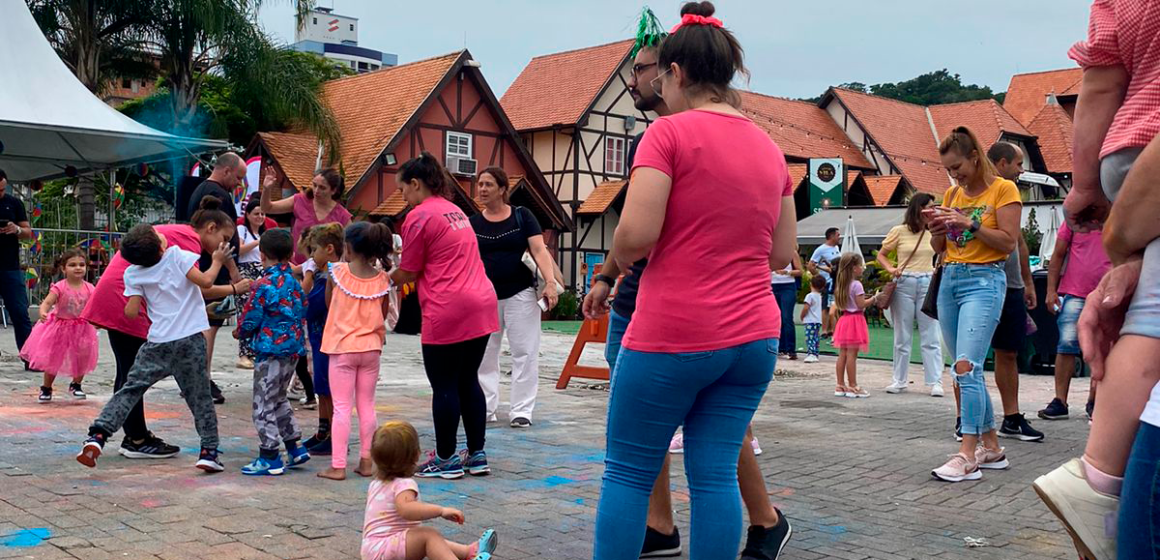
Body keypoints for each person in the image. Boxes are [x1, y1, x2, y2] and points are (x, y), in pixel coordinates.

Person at [582, 17, 792, 558]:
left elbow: (634, 236)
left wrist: (613, 267)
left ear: (674, 73)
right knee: (715, 475)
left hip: (675, 333)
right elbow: (780, 254)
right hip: (753, 337)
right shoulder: (770, 148)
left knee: (628, 471)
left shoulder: (667, 133)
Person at [1033, 3, 1160, 555]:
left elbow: (1102, 83)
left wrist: (1084, 185)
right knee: (1152, 319)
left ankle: (1100, 472)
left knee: (1146, 313)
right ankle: (1101, 475)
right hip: (1152, 150)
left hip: (1127, 152)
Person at [80, 197, 245, 460]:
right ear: (211, 228)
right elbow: (202, 286)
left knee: (130, 382)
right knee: (198, 397)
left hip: (137, 318)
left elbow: (172, 294)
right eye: (225, 238)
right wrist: (236, 286)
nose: (224, 245)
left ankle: (101, 434)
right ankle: (203, 450)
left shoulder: (137, 271)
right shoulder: (183, 248)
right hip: (181, 337)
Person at [390, 154, 498, 480]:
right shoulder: (456, 211)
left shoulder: (419, 217)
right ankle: (476, 454)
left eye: (404, 190)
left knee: (445, 384)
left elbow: (409, 271)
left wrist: (378, 278)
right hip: (481, 301)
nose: (403, 198)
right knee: (468, 379)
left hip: (447, 305)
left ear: (415, 183)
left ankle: (447, 457)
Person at [927, 126, 1022, 483]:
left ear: (974, 157)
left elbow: (1008, 243)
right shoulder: (952, 193)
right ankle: (992, 447)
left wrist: (970, 222)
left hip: (985, 279)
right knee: (963, 369)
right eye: (949, 169)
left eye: (958, 166)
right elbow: (942, 249)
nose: (954, 175)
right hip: (950, 278)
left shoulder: (1004, 189)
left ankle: (968, 454)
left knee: (966, 367)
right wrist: (938, 228)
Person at [470, 166, 559, 428]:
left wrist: (550, 283)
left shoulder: (523, 216)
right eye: (480, 184)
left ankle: (522, 410)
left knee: (524, 352)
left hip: (521, 294)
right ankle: (485, 407)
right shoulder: (473, 223)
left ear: (502, 190)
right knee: (485, 353)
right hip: (485, 297)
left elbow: (539, 250)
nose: (482, 189)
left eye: (488, 184)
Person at [972, 143, 1044, 443]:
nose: (1021, 169)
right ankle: (968, 419)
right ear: (1001, 163)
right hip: (978, 281)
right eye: (1018, 163)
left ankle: (1011, 418)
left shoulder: (1010, 194)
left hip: (1011, 284)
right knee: (970, 355)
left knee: (1009, 352)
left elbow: (1020, 243)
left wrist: (1027, 282)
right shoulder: (974, 193)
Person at [317, 222, 393, 481]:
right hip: (371, 348)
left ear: (346, 247)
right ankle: (367, 461)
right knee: (367, 405)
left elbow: (329, 305)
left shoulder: (336, 273)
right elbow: (383, 314)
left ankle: (338, 465)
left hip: (342, 348)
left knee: (341, 407)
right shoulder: (382, 278)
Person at [362, 420, 498, 560]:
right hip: (385, 548)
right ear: (416, 455)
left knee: (432, 540)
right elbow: (406, 509)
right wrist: (440, 511)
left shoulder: (376, 484)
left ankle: (469, 552)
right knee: (428, 535)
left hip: (374, 549)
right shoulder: (404, 484)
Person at [234, 229, 310, 476]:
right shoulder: (295, 283)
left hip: (270, 351)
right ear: (290, 254)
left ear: (262, 255)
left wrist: (240, 331)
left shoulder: (263, 284)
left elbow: (252, 315)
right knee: (278, 398)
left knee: (262, 402)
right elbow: (303, 309)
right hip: (292, 351)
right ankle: (294, 445)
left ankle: (270, 456)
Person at [1037, 219, 1110, 422]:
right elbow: (1058, 254)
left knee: (1103, 347)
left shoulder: (1118, 216)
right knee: (1066, 344)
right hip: (1075, 292)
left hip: (1108, 292)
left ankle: (1096, 401)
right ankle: (1060, 401)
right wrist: (1051, 290)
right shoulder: (1076, 219)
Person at [188, 154, 246, 404]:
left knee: (208, 322)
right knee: (209, 323)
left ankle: (199, 375)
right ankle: (202, 376)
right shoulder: (218, 195)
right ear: (226, 171)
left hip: (210, 263)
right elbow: (223, 240)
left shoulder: (202, 188)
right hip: (215, 265)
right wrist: (232, 272)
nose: (239, 184)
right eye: (238, 177)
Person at [877, 193, 944, 397]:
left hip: (926, 281)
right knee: (902, 335)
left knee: (930, 334)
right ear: (918, 208)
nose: (933, 211)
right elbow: (882, 254)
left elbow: (943, 252)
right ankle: (899, 380)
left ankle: (936, 381)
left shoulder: (934, 231)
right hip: (904, 282)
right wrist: (891, 269)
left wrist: (937, 268)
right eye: (929, 207)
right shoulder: (899, 231)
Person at [23, 249, 97, 402]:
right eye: (72, 265)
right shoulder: (60, 286)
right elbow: (48, 302)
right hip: (60, 327)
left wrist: (97, 320)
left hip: (82, 328)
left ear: (86, 267)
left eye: (82, 265)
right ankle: (46, 387)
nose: (78, 268)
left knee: (82, 356)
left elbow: (95, 306)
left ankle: (76, 384)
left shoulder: (90, 288)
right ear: (64, 268)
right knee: (53, 359)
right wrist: (43, 312)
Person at [303, 223, 343, 457]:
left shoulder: (332, 276)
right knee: (321, 386)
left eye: (314, 250)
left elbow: (308, 305)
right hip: (320, 338)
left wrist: (308, 274)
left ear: (329, 249)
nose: (311, 256)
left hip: (330, 339)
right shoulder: (324, 273)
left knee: (329, 388)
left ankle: (333, 436)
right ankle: (323, 430)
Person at [260, 167, 352, 265]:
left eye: (322, 188)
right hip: (294, 267)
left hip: (324, 272)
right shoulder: (300, 200)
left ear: (333, 191)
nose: (316, 191)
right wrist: (266, 189)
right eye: (314, 185)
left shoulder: (342, 215)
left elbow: (351, 245)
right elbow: (267, 208)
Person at [831, 253, 880, 398]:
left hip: (844, 319)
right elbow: (861, 304)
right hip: (855, 320)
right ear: (853, 268)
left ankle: (840, 385)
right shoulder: (857, 285)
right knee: (852, 354)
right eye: (860, 265)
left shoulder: (841, 284)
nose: (863, 268)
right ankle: (853, 386)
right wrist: (874, 298)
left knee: (843, 354)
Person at [0, 168, 35, 369]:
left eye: (3, 189)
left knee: (20, 312)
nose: (1, 193)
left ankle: (30, 357)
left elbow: (28, 232)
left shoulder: (14, 203)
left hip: (10, 266)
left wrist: (17, 229)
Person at [235, 198, 267, 369]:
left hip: (261, 273)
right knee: (245, 312)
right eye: (256, 213)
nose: (260, 217)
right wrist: (257, 243)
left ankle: (255, 350)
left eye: (262, 214)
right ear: (247, 215)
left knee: (260, 311)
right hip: (245, 272)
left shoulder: (263, 234)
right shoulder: (242, 231)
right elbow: (238, 250)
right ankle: (244, 353)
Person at [808, 228, 842, 337]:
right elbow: (811, 265)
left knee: (833, 306)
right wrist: (817, 276)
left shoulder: (836, 248)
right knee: (826, 307)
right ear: (831, 236)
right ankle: (824, 331)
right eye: (838, 235)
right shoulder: (821, 250)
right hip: (827, 282)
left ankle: (832, 329)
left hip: (836, 281)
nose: (839, 237)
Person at [770, 250, 803, 360]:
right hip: (773, 285)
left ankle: (791, 349)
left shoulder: (791, 253)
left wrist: (787, 272)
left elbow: (800, 271)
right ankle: (780, 347)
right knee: (776, 318)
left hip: (787, 285)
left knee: (787, 317)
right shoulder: (769, 252)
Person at [801, 275, 826, 363]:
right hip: (817, 320)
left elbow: (806, 307)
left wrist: (802, 315)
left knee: (809, 337)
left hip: (810, 320)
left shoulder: (809, 296)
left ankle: (811, 353)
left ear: (811, 284)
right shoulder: (820, 296)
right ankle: (815, 352)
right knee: (815, 337)